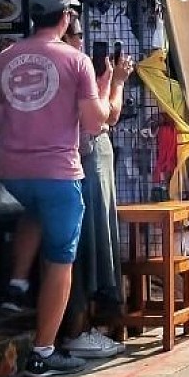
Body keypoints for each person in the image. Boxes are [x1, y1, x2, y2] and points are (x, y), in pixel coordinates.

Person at [0, 0, 112, 377]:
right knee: (61, 259)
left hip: (11, 172)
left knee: (35, 212)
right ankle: (43, 352)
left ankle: (17, 285)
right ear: (65, 17)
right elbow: (96, 123)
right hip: (58, 172)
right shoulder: (75, 61)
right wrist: (106, 85)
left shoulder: (5, 57)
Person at [58, 20, 134, 359]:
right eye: (77, 34)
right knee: (88, 243)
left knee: (79, 244)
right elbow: (107, 116)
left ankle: (79, 328)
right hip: (84, 161)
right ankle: (77, 330)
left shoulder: (45, 66)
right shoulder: (74, 67)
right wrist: (115, 83)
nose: (83, 41)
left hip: (63, 164)